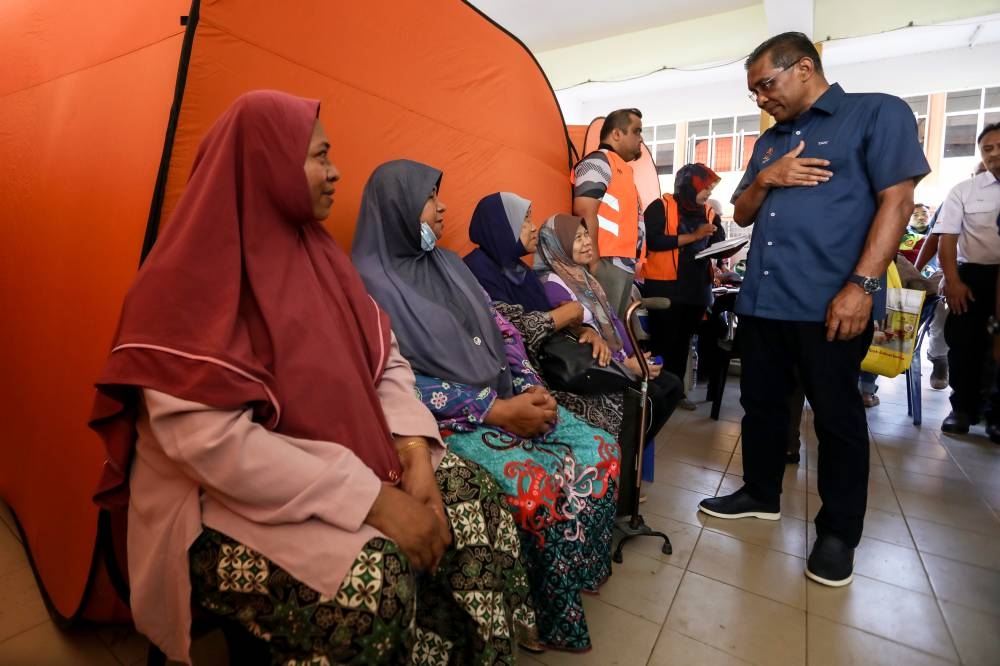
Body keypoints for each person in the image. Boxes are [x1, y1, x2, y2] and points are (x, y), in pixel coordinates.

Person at [87, 91, 535, 665]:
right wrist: (372, 500)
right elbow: (210, 446)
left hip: (355, 457)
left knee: (475, 500)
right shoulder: (182, 283)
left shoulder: (321, 259)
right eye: (320, 156)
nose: (336, 171)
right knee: (373, 585)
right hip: (219, 498)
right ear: (268, 164)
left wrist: (416, 452)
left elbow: (385, 362)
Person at [351, 159, 621, 652]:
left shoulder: (449, 264)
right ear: (399, 209)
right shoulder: (366, 285)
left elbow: (502, 330)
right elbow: (392, 382)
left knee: (599, 449)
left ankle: (566, 583)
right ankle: (535, 609)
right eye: (431, 199)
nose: (442, 207)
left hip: (504, 394)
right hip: (447, 417)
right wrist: (494, 410)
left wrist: (525, 389)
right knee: (535, 482)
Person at [697, 32, 929, 587]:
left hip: (830, 301)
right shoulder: (770, 142)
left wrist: (862, 286)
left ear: (803, 68)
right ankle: (760, 491)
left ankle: (838, 533)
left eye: (766, 85)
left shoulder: (875, 113)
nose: (760, 99)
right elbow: (744, 210)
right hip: (763, 300)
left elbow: (897, 202)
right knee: (760, 406)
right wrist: (767, 177)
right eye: (753, 91)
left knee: (836, 418)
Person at [464, 191, 625, 436]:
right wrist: (567, 314)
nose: (533, 227)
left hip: (551, 363)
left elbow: (552, 317)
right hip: (518, 378)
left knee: (623, 393)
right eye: (525, 220)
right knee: (610, 409)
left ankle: (621, 470)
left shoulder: (521, 270)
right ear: (501, 227)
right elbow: (506, 331)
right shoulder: (477, 271)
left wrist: (584, 331)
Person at [534, 214, 684, 443]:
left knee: (672, 385)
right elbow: (575, 341)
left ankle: (631, 451)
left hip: (616, 359)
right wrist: (625, 366)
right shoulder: (553, 286)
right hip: (594, 367)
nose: (587, 242)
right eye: (577, 238)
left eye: (586, 235)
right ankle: (623, 458)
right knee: (653, 397)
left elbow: (613, 322)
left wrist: (634, 358)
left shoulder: (584, 278)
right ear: (558, 244)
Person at [641, 162, 726, 410]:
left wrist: (723, 245)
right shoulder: (661, 207)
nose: (709, 192)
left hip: (696, 290)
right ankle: (654, 394)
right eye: (705, 187)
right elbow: (654, 241)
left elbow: (717, 242)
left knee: (682, 345)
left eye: (711, 187)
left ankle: (675, 393)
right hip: (665, 289)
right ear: (689, 185)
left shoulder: (709, 212)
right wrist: (695, 236)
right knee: (662, 343)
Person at [935, 122, 1000, 437]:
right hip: (972, 276)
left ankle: (997, 416)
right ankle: (962, 409)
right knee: (963, 344)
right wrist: (953, 280)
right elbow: (947, 239)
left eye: (999, 146)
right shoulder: (965, 190)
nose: (994, 154)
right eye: (988, 149)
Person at [572, 108, 646, 319]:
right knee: (604, 330)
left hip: (619, 263)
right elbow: (585, 210)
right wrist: (594, 261)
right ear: (616, 134)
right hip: (605, 262)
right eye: (636, 131)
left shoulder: (619, 167)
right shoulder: (599, 162)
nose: (640, 138)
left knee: (616, 330)